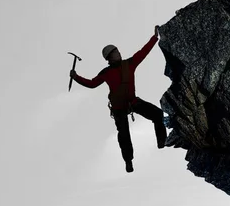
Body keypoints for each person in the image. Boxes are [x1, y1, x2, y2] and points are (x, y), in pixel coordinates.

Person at [69, 26, 167, 173]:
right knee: (124, 135)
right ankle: (128, 161)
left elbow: (143, 52)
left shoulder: (129, 63)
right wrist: (76, 77)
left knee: (158, 114)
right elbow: (91, 84)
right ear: (109, 57)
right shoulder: (106, 73)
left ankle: (161, 141)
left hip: (133, 102)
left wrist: (154, 38)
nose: (119, 54)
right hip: (118, 109)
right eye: (116, 53)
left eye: (118, 51)